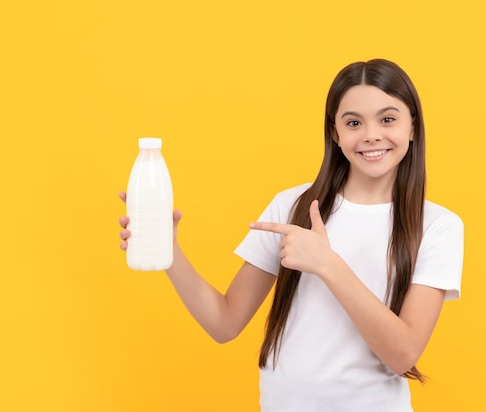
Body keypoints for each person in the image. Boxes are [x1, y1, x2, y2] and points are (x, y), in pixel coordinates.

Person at [118, 58, 464, 412]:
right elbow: (223, 323)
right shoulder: (292, 206)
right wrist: (168, 249)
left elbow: (402, 354)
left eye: (387, 119)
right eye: (354, 122)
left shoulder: (437, 225)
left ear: (412, 127)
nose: (371, 134)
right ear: (335, 132)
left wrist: (328, 265)